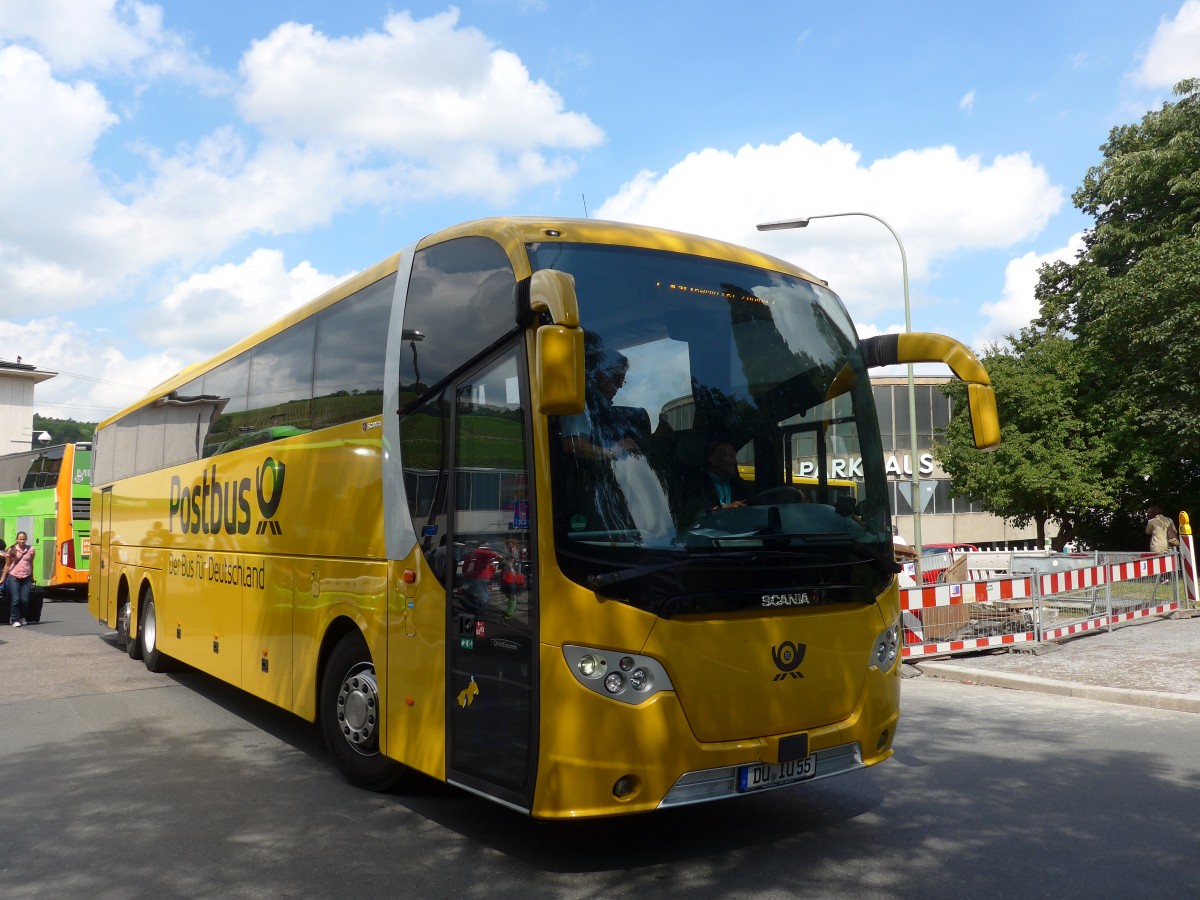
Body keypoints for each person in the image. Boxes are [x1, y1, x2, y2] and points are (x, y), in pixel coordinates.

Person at [3, 531, 36, 627]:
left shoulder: (31, 550)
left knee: (25, 599)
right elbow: (7, 565)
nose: (22, 541)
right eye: (20, 539)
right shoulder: (12, 549)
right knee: (16, 599)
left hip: (26, 576)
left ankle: (23, 617)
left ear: (26, 539)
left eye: (24, 539)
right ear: (17, 539)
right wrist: (3, 578)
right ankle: (14, 619)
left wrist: (32, 576)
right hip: (14, 576)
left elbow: (31, 563)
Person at [459, 545, 500, 617]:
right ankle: (480, 612)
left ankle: (479, 612)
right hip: (477, 577)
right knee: (480, 595)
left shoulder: (474, 552)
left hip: (476, 577)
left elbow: (466, 565)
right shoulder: (478, 553)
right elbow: (494, 555)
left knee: (477, 595)